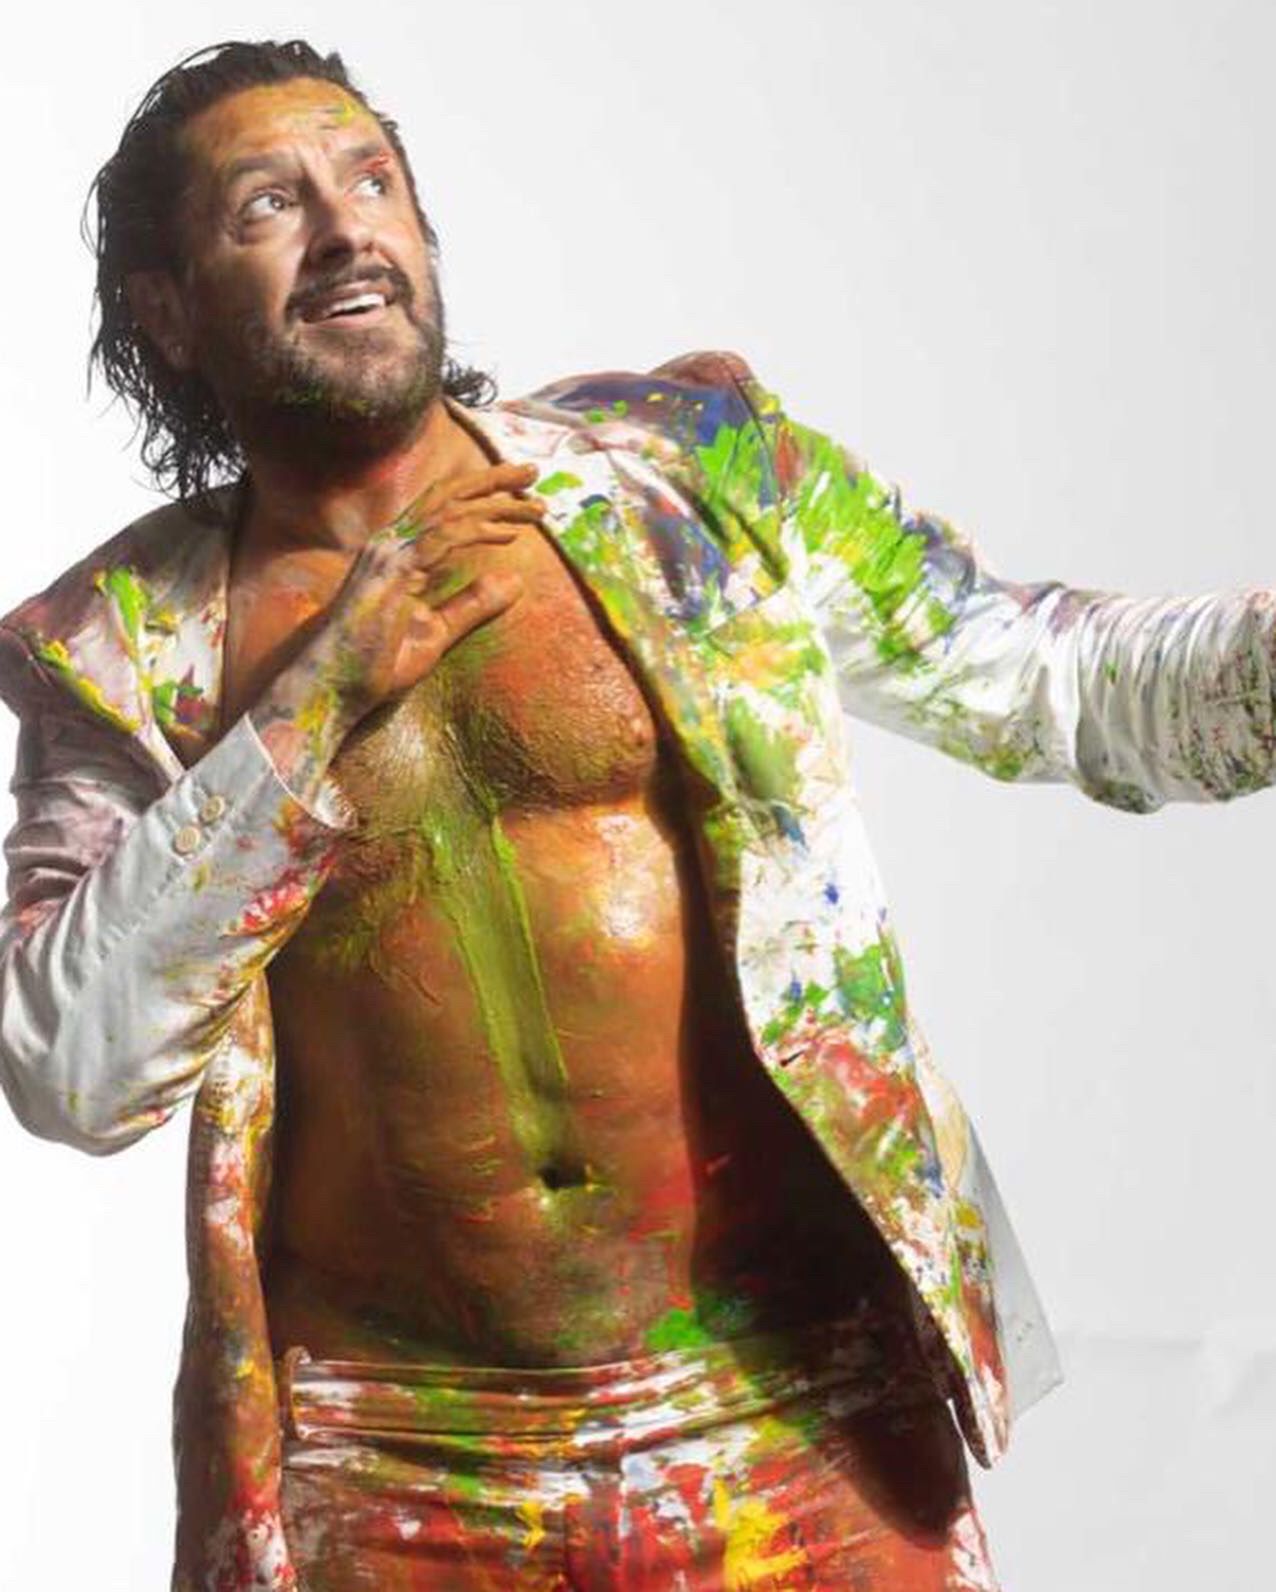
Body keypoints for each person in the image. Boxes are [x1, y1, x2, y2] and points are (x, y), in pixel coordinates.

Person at [1, 36, 1272, 1592]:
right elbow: (70, 1067)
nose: (344, 231)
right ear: (166, 309)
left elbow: (1055, 682)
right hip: (395, 1461)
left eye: (373, 182)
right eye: (269, 205)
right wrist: (312, 707)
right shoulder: (123, 649)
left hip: (789, 1410)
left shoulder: (690, 477)